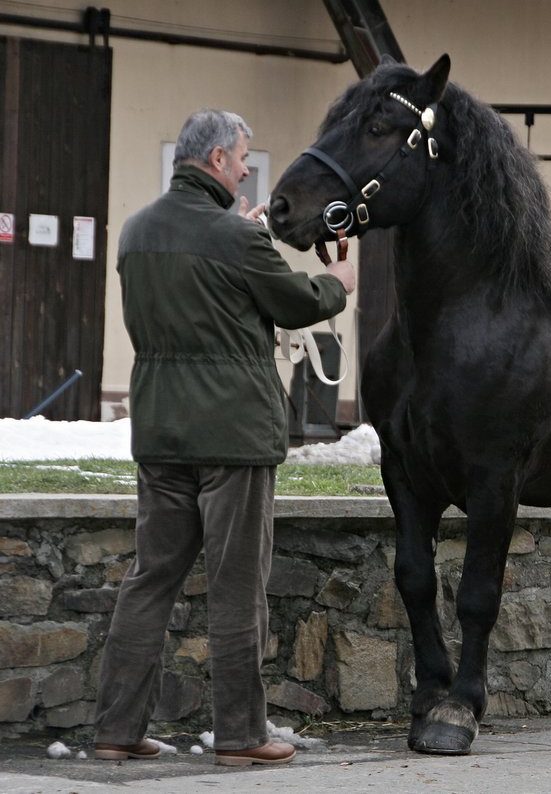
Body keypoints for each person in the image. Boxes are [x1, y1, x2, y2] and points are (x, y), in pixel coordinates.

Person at [93, 109, 355, 767]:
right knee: (237, 585)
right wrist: (339, 285)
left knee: (151, 578)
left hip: (161, 430)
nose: (245, 169)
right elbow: (295, 303)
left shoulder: (136, 232)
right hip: (233, 435)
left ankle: (116, 730)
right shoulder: (236, 240)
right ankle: (241, 735)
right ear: (214, 161)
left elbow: (196, 291)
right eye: (241, 158)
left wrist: (243, 236)